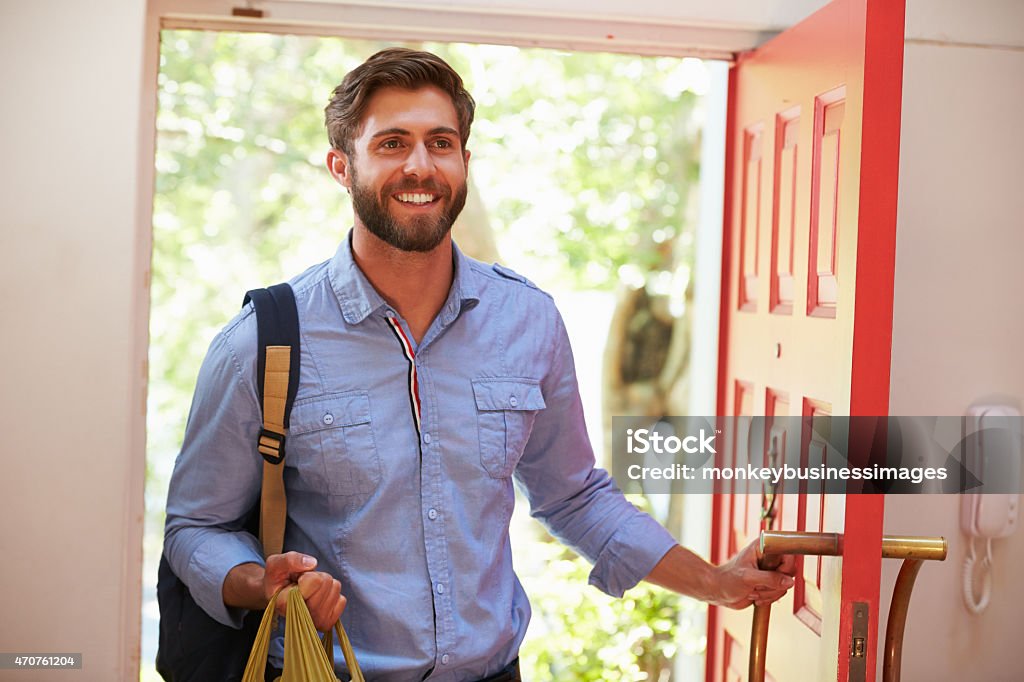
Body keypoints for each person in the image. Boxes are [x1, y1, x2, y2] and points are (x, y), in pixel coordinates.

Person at [163, 47, 795, 682]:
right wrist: (259, 582)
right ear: (340, 166)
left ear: (464, 162)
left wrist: (717, 583)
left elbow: (574, 496)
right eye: (391, 143)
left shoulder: (528, 322)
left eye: (440, 143)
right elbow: (196, 526)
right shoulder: (262, 343)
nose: (420, 165)